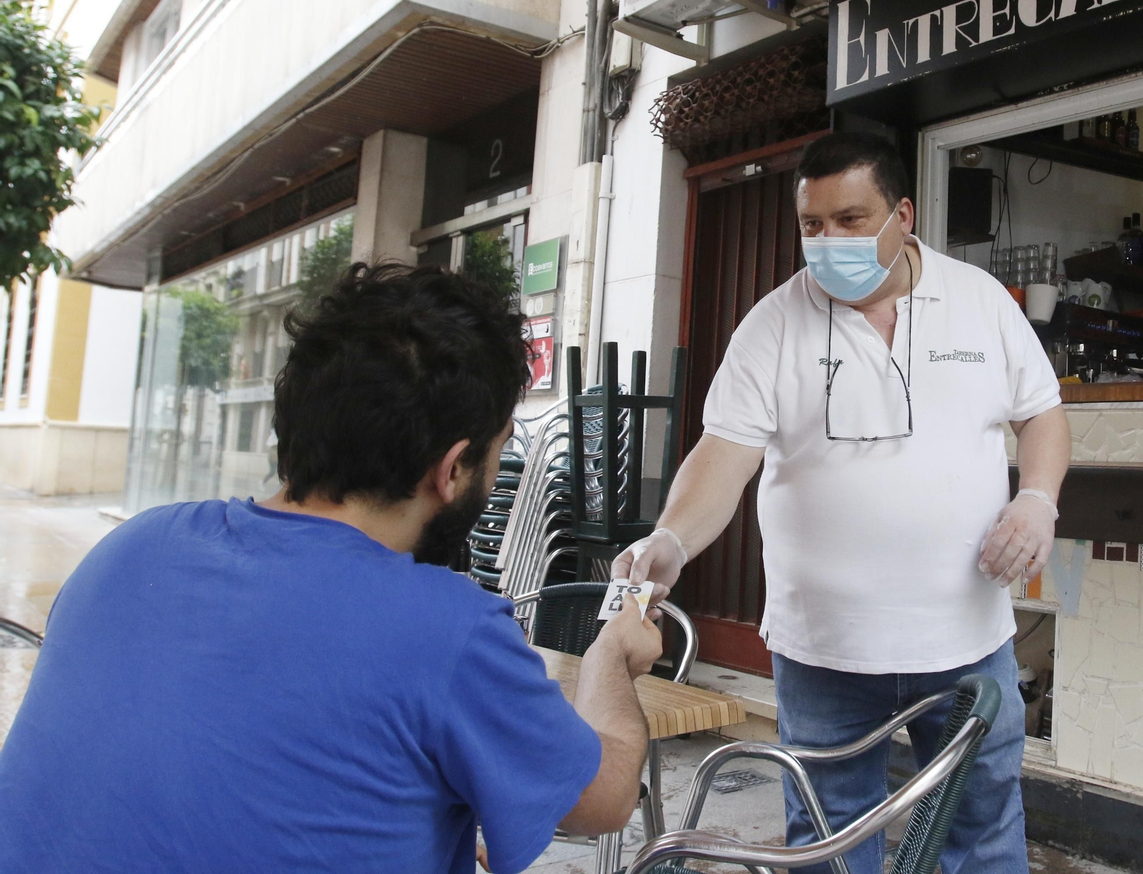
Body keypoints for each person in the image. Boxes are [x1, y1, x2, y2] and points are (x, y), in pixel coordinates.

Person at [0, 264, 661, 874]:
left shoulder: (130, 548)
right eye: (497, 451)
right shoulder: (443, 629)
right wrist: (609, 659)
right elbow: (607, 800)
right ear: (453, 468)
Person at [613, 133, 1073, 874]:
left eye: (851, 221)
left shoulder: (980, 302)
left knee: (981, 830)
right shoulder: (772, 324)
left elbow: (1043, 414)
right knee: (829, 844)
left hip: (965, 640)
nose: (828, 243)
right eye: (812, 226)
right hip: (823, 649)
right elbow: (724, 458)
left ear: (903, 214)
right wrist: (669, 541)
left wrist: (1038, 500)